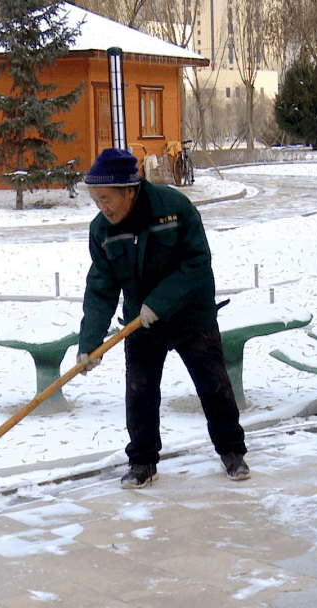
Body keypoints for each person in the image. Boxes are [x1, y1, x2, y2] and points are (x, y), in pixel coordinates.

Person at [76, 148, 250, 488]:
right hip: (139, 323)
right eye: (96, 200)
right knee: (139, 393)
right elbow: (101, 287)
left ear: (130, 189)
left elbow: (197, 264)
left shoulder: (174, 209)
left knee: (214, 387)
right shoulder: (103, 230)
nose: (102, 207)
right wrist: (89, 342)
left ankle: (232, 451)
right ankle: (142, 461)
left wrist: (160, 302)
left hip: (191, 315)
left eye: (106, 198)